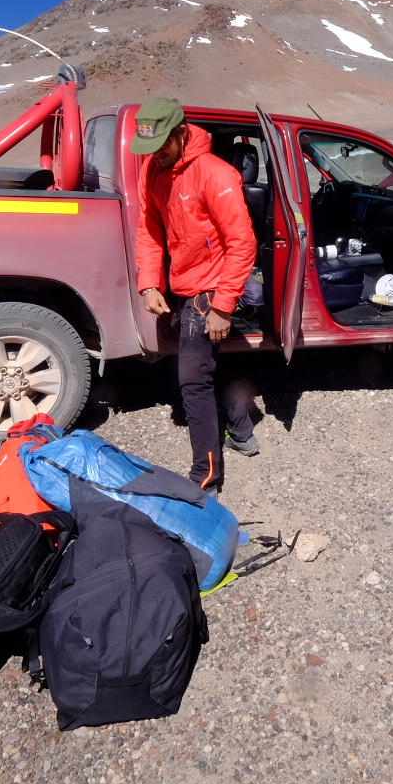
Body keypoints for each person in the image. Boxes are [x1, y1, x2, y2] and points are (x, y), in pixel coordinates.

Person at [131, 96, 259, 492]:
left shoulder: (215, 174)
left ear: (181, 133)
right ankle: (241, 430)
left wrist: (223, 305)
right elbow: (149, 228)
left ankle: (205, 477)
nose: (156, 156)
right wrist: (149, 282)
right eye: (148, 149)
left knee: (192, 379)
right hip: (181, 282)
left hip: (211, 286)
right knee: (206, 363)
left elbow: (242, 243)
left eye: (162, 146)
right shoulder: (152, 169)